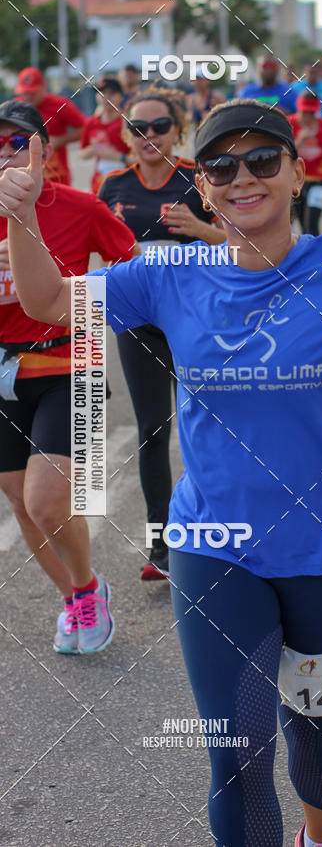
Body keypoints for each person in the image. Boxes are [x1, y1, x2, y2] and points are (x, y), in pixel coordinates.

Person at [3, 96, 322, 847]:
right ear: (203, 187)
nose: (242, 177)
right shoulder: (172, 275)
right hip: (215, 549)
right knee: (239, 754)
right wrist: (20, 218)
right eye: (221, 166)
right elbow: (50, 299)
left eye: (261, 160)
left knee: (315, 732)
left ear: (295, 171)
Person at [0, 100, 138, 654]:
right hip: (5, 371)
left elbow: (132, 267)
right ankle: (80, 594)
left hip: (71, 364)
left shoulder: (81, 206)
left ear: (43, 150)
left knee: (47, 502)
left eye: (16, 142)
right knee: (19, 501)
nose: (4, 153)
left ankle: (86, 584)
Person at [97, 86, 225, 580]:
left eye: (159, 127)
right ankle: (162, 545)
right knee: (153, 430)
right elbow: (95, 256)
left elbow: (248, 244)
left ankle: (220, 533)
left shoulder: (203, 177)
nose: (148, 136)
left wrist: (202, 228)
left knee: (213, 427)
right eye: (137, 128)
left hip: (199, 322)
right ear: (126, 134)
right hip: (138, 325)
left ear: (178, 130)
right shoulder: (112, 187)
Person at [14, 67, 85, 185]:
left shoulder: (60, 104)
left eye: (33, 92)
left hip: (56, 177)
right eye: (25, 92)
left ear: (44, 86)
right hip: (24, 178)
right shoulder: (14, 108)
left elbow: (85, 128)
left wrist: (60, 140)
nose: (29, 97)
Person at [289, 92, 322, 235]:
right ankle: (308, 254)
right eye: (304, 111)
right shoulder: (289, 123)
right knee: (302, 224)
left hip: (320, 180)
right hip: (297, 182)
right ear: (298, 108)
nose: (308, 116)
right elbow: (285, 153)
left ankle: (318, 256)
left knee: (312, 224)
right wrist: (300, 140)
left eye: (311, 112)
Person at [79, 78, 130, 194]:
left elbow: (141, 159)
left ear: (121, 96)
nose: (106, 97)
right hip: (99, 184)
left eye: (111, 93)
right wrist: (94, 149)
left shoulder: (127, 122)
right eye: (101, 93)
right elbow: (82, 153)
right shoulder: (91, 123)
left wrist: (117, 156)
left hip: (125, 183)